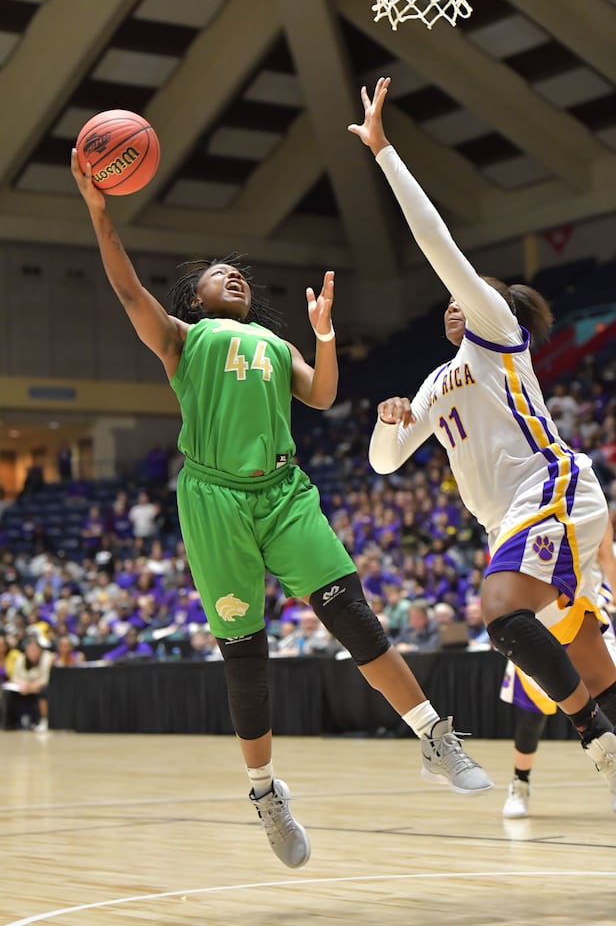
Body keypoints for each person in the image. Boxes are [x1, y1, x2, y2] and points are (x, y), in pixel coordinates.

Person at [71, 147, 493, 871]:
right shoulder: (183, 339)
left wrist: (325, 334)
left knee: (355, 619)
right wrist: (99, 211)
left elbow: (323, 396)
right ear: (195, 300)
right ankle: (266, 792)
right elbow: (127, 289)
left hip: (283, 493)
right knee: (246, 659)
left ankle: (433, 736)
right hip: (214, 500)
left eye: (238, 271)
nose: (232, 273)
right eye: (214, 273)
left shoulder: (271, 341)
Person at [350, 76, 616, 800]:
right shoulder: (437, 385)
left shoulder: (497, 337)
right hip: (510, 523)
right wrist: (387, 424)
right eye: (449, 301)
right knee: (593, 669)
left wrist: (384, 154)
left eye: (463, 293)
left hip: (552, 487)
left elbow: (436, 244)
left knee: (499, 611)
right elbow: (384, 464)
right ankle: (600, 723)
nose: (450, 300)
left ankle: (596, 738)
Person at [501, 521, 616, 818]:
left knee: (608, 695)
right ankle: (519, 783)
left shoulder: (586, 503)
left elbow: (606, 557)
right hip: (536, 618)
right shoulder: (518, 510)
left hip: (582, 610)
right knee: (534, 714)